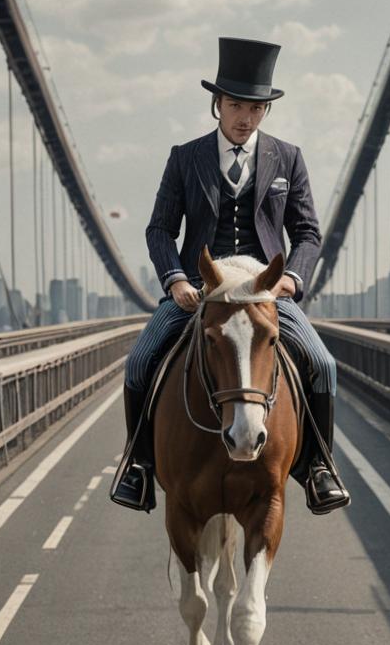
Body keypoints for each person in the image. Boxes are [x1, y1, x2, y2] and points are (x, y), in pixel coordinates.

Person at [111, 37, 350, 514]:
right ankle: (137, 466)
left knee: (323, 365)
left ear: (266, 111)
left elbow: (307, 233)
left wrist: (292, 281)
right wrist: (176, 279)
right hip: (202, 294)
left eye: (256, 108)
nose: (245, 117)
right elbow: (160, 228)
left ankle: (320, 467)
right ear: (217, 104)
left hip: (266, 293)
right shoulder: (185, 156)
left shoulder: (289, 157)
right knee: (139, 363)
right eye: (236, 104)